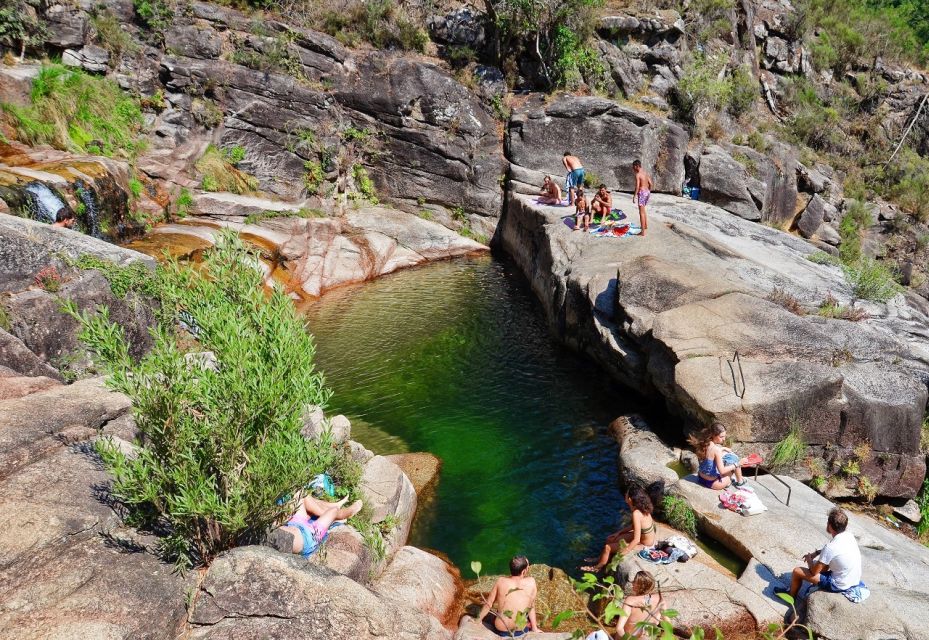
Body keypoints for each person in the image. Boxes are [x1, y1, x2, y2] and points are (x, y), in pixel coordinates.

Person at [778, 508, 862, 599]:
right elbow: (832, 550)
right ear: (845, 526)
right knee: (824, 564)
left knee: (797, 571)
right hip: (853, 580)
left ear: (829, 525)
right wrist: (816, 553)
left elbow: (814, 572)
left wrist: (810, 560)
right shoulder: (849, 536)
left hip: (839, 584)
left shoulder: (830, 547)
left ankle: (791, 595)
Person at [582, 485, 657, 572]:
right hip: (643, 538)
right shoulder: (643, 508)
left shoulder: (636, 513)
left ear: (629, 499)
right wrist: (618, 533)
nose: (625, 495)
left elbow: (636, 539)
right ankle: (600, 558)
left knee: (608, 547)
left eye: (626, 494)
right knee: (610, 539)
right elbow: (633, 527)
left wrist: (626, 551)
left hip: (644, 545)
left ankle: (596, 568)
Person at [279, 494, 362, 558]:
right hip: (310, 536)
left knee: (299, 494)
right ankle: (344, 513)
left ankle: (328, 512)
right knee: (334, 511)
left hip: (294, 523)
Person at [477, 555, 540, 637]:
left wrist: (478, 620)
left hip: (501, 629)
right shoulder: (531, 582)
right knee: (525, 614)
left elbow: (489, 603)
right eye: (528, 566)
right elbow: (531, 607)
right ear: (524, 571)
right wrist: (534, 628)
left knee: (495, 612)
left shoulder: (501, 581)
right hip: (520, 630)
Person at [689, 423, 748, 490]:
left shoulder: (704, 444)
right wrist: (738, 463)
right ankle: (739, 482)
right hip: (712, 483)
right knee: (733, 465)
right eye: (721, 437)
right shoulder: (716, 450)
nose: (724, 439)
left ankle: (730, 481)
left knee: (725, 460)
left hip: (700, 478)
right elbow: (722, 471)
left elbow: (710, 454)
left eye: (724, 436)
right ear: (713, 435)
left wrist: (723, 448)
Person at [615, 570, 666, 638]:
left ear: (640, 586)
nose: (632, 583)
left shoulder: (630, 601)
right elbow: (668, 623)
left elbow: (619, 628)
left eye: (635, 581)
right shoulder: (660, 599)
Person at [632, 160, 652, 237]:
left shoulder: (638, 175)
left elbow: (637, 186)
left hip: (642, 193)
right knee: (643, 210)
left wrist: (634, 196)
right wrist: (648, 191)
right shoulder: (645, 173)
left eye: (633, 167)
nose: (633, 169)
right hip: (647, 192)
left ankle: (642, 232)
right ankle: (645, 225)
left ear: (637, 166)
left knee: (641, 212)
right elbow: (651, 183)